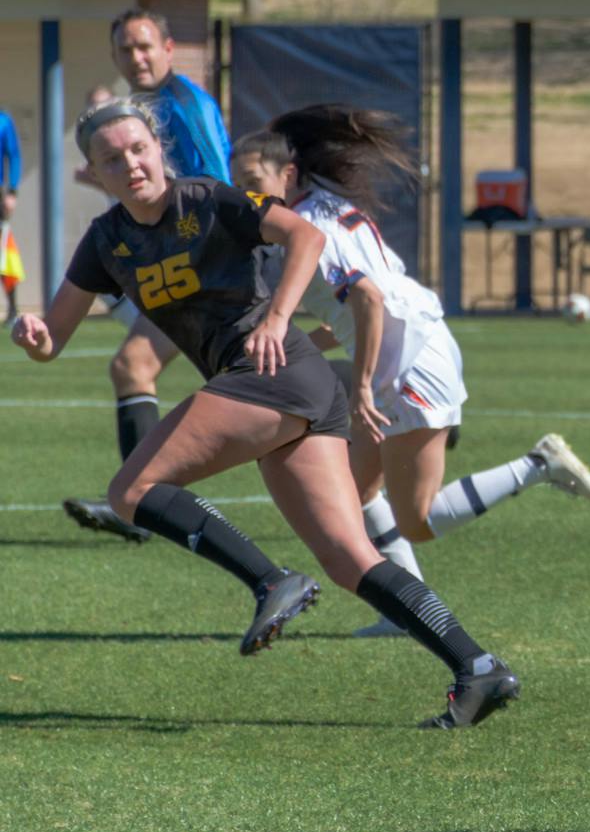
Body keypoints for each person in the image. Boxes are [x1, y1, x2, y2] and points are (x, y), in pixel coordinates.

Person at [12, 98, 519, 728]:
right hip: (281, 387)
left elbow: (304, 234)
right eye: (112, 159)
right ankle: (479, 667)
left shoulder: (206, 198)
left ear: (159, 150)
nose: (131, 164)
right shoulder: (106, 241)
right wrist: (33, 334)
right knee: (349, 558)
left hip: (278, 373)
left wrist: (278, 317)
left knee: (132, 489)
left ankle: (268, 580)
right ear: (94, 171)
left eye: (139, 149)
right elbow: (53, 339)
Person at [232, 109, 590, 639]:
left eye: (254, 183)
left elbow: (367, 299)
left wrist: (360, 384)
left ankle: (537, 465)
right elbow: (351, 314)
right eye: (239, 186)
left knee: (419, 520)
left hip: (408, 360)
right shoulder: (321, 208)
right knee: (357, 492)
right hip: (406, 343)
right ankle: (402, 613)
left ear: (288, 175)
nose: (249, 195)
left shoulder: (313, 226)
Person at [64, 12, 234, 542]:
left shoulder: (186, 104)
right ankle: (141, 502)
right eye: (125, 50)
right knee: (141, 367)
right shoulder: (148, 109)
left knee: (136, 365)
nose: (135, 58)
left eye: (144, 46)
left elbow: (216, 187)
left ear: (167, 47)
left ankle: (141, 503)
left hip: (211, 269)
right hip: (188, 264)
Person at [0, 100, 18, 322]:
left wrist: (12, 191)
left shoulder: (4, 121)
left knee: (4, 252)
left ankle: (13, 308)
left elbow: (14, 155)